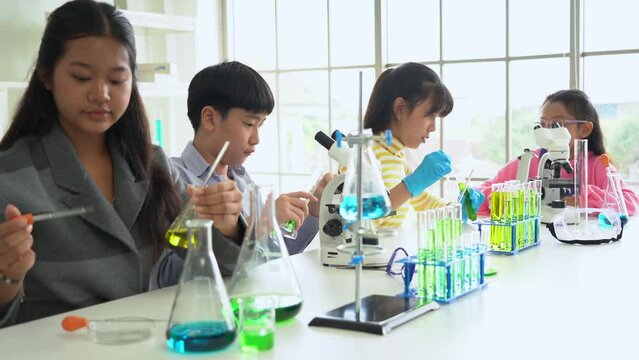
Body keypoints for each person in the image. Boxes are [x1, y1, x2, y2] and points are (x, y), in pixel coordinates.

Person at [0, 0, 242, 327]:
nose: (101, 94)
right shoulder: (11, 177)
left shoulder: (151, 164)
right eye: (82, 77)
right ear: (47, 75)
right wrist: (7, 277)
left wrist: (225, 225)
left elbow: (227, 274)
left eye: (116, 80)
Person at [171, 61, 333, 256]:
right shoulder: (174, 179)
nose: (256, 139)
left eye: (260, 125)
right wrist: (257, 226)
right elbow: (167, 273)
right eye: (249, 124)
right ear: (210, 119)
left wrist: (313, 211)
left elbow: (271, 256)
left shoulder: (241, 179)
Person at [476, 89, 638, 216]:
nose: (547, 131)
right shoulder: (530, 160)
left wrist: (582, 198)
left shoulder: (597, 164)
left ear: (585, 129)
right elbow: (480, 194)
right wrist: (506, 197)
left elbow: (630, 203)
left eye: (557, 124)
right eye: (542, 124)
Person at [362, 62, 484, 229]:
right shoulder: (362, 154)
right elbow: (361, 218)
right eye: (430, 115)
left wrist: (457, 210)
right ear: (400, 108)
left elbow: (425, 202)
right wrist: (411, 185)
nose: (433, 127)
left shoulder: (395, 156)